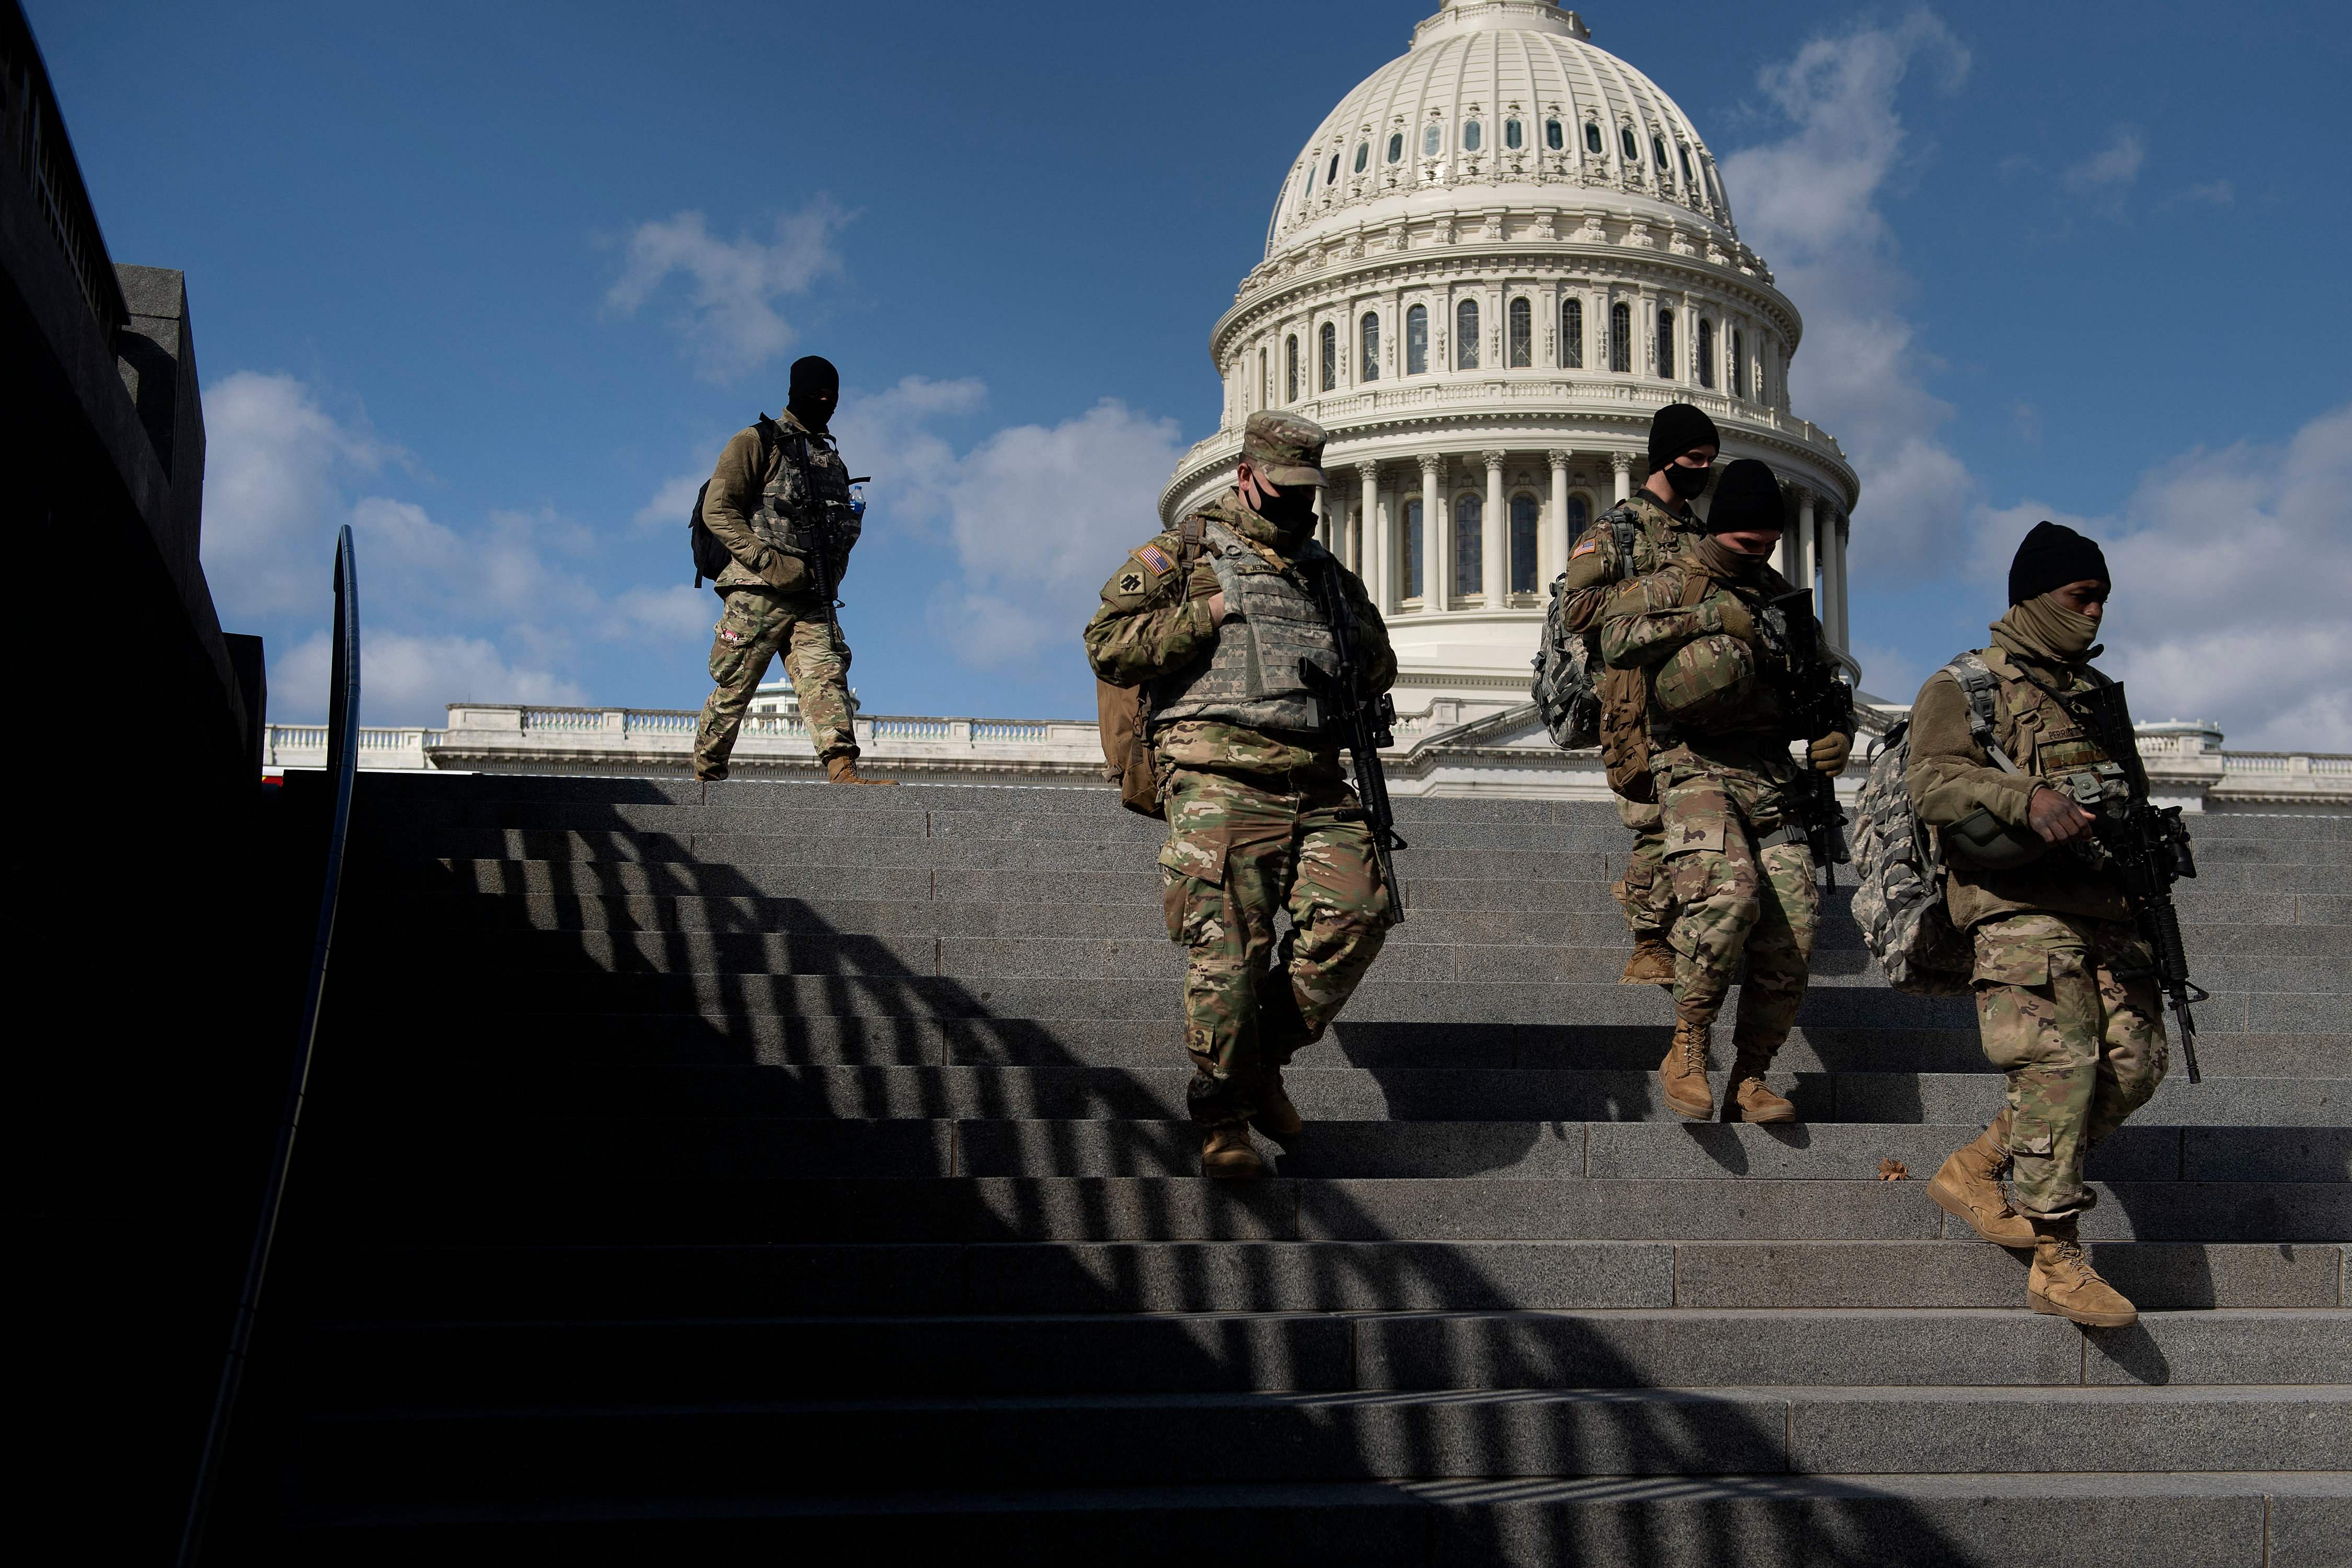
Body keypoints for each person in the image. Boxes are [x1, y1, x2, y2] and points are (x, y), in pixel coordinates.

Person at [1083, 411, 1397, 1178]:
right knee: (1228, 955)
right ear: (1247, 476)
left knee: (1358, 913)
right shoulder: (1183, 554)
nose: (1298, 502)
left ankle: (1258, 1065)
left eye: (1307, 489)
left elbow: (1378, 662)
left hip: (1316, 774)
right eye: (1283, 487)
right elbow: (1108, 644)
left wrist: (1346, 653)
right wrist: (1212, 612)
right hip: (1218, 773)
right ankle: (1224, 1120)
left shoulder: (1327, 574)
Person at [1908, 521, 2163, 1328]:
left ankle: (1980, 1165)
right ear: (2036, 597)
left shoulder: (2096, 695)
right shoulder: (1967, 684)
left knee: (2136, 1064)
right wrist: (2026, 797)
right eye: (2081, 597)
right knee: (2057, 1065)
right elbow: (1932, 782)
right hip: (2016, 904)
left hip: (2107, 905)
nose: (2095, 613)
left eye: (2103, 599)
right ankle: (2057, 1260)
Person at [1598, 458, 1852, 1124]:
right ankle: (1687, 1046)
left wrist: (1837, 735)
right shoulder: (1674, 580)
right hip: (1690, 764)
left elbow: (1824, 686)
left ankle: (1752, 1074)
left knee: (1796, 928)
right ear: (1720, 530)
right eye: (1746, 541)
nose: (1758, 553)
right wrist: (1710, 618)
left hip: (1770, 776)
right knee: (1728, 896)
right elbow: (1615, 637)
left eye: (1769, 542)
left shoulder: (1785, 603)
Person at [1554, 403, 1720, 985]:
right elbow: (1578, 610)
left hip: (1696, 692)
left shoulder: (1702, 535)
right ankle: (1649, 940)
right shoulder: (1615, 531)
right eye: (1695, 458)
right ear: (1665, 458)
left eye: (1710, 459)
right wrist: (1663, 595)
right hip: (1634, 699)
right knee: (1654, 819)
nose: (1704, 469)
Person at [691, 354, 892, 785]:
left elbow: (839, 529)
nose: (826, 403)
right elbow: (718, 509)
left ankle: (842, 769)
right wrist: (768, 561)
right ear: (796, 392)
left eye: (832, 396)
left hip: (812, 593)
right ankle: (707, 775)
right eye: (817, 394)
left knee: (827, 677)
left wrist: (829, 573)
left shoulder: (831, 460)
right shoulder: (756, 441)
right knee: (735, 684)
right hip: (757, 589)